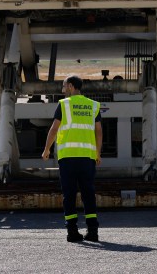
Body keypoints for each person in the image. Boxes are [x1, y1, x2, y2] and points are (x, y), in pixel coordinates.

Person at [42, 75, 103, 243]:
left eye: (63, 86)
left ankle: (72, 232)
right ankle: (93, 231)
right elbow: (99, 131)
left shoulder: (64, 105)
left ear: (70, 86)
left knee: (69, 195)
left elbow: (54, 129)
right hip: (87, 158)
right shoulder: (93, 106)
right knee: (88, 194)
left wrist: (46, 149)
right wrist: (98, 153)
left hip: (68, 157)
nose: (62, 90)